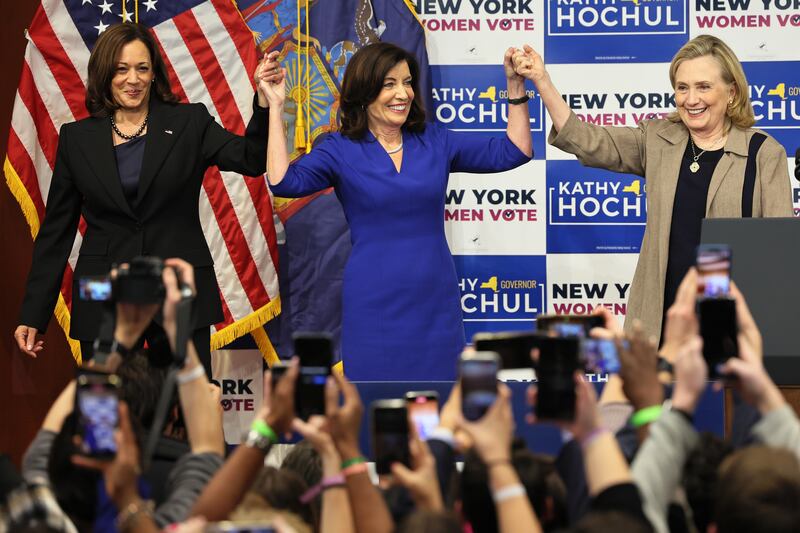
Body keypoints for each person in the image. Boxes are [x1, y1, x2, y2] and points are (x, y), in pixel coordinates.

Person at [13, 23, 282, 373]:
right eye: (121, 69)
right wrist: (34, 313)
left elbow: (250, 159)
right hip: (102, 293)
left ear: (154, 73)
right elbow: (57, 232)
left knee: (192, 409)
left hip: (179, 290)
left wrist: (263, 103)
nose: (133, 79)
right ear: (104, 74)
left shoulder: (189, 122)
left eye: (142, 68)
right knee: (103, 410)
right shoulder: (76, 139)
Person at [261, 42, 533, 380]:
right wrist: (275, 107)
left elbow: (515, 151)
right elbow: (282, 181)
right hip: (374, 303)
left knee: (438, 407)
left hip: (435, 300)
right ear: (364, 91)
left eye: (407, 82)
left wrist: (515, 86)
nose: (402, 93)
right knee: (377, 408)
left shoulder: (434, 140)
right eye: (389, 84)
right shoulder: (339, 149)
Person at [512, 34, 792, 343]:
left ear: (731, 92)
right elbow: (588, 140)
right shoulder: (658, 138)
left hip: (732, 328)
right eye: (682, 87)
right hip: (658, 325)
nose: (691, 99)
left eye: (703, 86)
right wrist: (543, 81)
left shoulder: (764, 153)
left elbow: (781, 255)